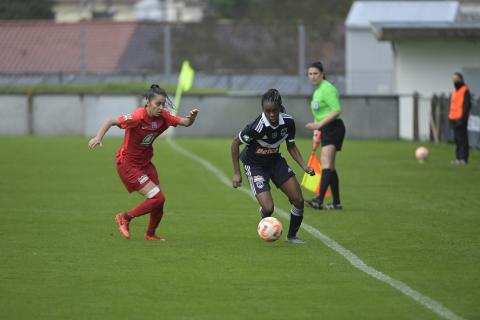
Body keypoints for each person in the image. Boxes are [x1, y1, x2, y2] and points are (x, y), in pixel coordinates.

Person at [88, 84, 199, 240]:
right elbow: (111, 121)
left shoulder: (164, 116)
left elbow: (186, 122)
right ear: (148, 102)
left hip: (145, 164)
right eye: (157, 104)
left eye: (163, 104)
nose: (161, 107)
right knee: (157, 197)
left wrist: (192, 117)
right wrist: (98, 137)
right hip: (128, 165)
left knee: (159, 202)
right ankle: (125, 217)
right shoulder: (138, 116)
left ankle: (150, 234)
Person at [231, 88, 315, 244]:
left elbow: (291, 146)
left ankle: (292, 236)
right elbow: (235, 143)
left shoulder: (288, 122)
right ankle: (265, 219)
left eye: (274, 111)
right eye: (267, 111)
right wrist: (237, 173)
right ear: (263, 110)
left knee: (298, 199)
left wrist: (304, 166)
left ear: (280, 108)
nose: (271, 114)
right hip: (255, 165)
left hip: (275, 161)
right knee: (269, 209)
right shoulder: (256, 127)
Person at [304, 61, 346, 210]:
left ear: (322, 74)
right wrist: (317, 132)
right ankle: (336, 203)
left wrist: (319, 126)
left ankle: (319, 200)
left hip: (334, 127)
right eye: (310, 74)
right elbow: (319, 115)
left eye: (315, 73)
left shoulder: (327, 88)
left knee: (326, 163)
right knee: (330, 167)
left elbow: (336, 111)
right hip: (325, 129)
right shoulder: (317, 91)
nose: (313, 76)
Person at [449, 72, 471, 165]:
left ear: (461, 80)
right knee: (457, 139)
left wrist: (462, 118)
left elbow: (466, 106)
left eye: (456, 79)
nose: (455, 81)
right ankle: (458, 158)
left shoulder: (465, 90)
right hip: (453, 118)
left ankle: (463, 159)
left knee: (462, 139)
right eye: (453, 79)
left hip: (461, 119)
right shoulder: (454, 92)